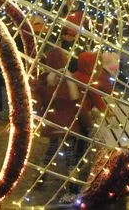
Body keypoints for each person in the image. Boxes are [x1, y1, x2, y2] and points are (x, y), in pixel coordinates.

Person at [33, 47, 85, 201]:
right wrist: (85, 122)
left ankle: (40, 179)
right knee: (70, 156)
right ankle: (73, 187)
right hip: (68, 125)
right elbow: (77, 102)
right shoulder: (70, 80)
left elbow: (40, 102)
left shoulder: (45, 81)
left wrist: (41, 115)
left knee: (50, 152)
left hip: (52, 123)